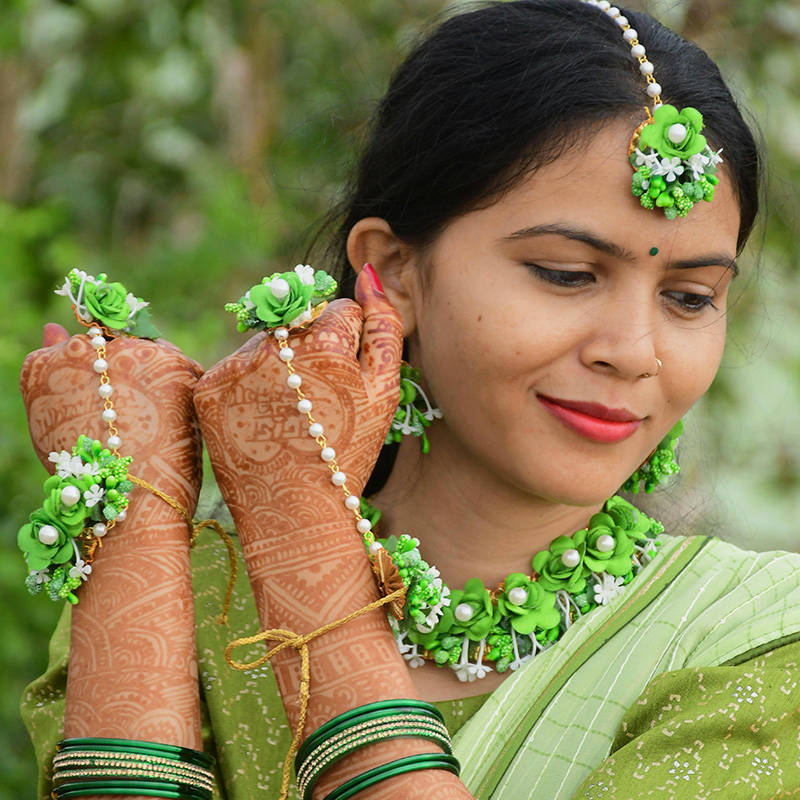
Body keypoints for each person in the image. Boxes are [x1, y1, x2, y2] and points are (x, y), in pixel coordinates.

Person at [19, 1, 800, 799]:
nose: (633, 350)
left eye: (690, 297)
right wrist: (138, 531)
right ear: (392, 271)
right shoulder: (180, 593)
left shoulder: (757, 640)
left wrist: (304, 536)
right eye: (567, 274)